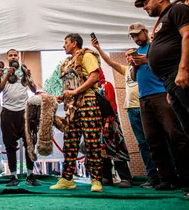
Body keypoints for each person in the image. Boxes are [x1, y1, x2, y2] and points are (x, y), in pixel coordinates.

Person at [126, 18, 189, 196]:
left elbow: (167, 66)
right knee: (152, 140)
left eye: (138, 34)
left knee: (175, 135)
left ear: (145, 32)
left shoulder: (156, 46)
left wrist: (147, 60)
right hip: (144, 98)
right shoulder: (136, 52)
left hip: (161, 94)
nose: (136, 39)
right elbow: (132, 76)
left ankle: (185, 177)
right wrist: (134, 65)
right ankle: (167, 178)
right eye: (132, 36)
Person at [91, 38, 159, 188]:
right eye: (127, 55)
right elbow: (110, 62)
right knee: (140, 143)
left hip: (142, 108)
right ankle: (150, 176)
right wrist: (98, 48)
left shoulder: (149, 67)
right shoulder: (126, 71)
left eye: (131, 54)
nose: (129, 57)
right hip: (129, 110)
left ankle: (165, 175)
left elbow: (111, 103)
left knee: (155, 141)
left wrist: (109, 119)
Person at [50, 33, 103, 193]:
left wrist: (75, 92)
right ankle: (67, 179)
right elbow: (70, 85)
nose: (63, 45)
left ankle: (96, 180)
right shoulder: (67, 63)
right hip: (72, 107)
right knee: (70, 142)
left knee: (92, 142)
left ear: (74, 43)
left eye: (66, 42)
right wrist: (64, 96)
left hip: (88, 102)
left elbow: (94, 77)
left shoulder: (87, 55)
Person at [135, 0, 189, 135]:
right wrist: (169, 89)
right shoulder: (162, 20)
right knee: (186, 125)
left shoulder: (177, 9)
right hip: (170, 82)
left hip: (179, 73)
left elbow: (187, 35)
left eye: (146, 2)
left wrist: (183, 70)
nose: (145, 7)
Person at [0, 49, 40, 187]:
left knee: (29, 144)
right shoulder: (2, 72)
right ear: (7, 58)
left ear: (19, 57)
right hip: (8, 112)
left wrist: (28, 77)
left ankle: (30, 175)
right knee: (10, 146)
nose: (13, 57)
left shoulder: (24, 71)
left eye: (16, 55)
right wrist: (6, 75)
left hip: (24, 112)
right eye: (11, 55)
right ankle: (13, 176)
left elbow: (33, 89)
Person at [97, 68, 132, 188]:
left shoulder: (106, 86)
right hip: (97, 124)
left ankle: (125, 177)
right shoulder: (90, 89)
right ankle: (106, 177)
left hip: (110, 123)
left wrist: (108, 122)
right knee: (102, 151)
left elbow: (111, 104)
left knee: (117, 149)